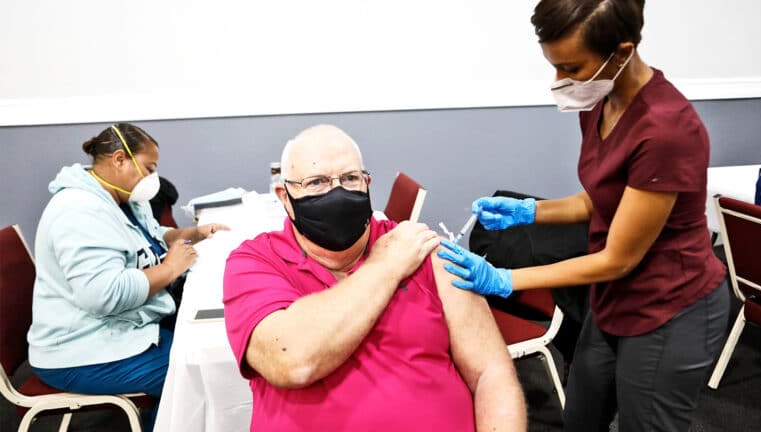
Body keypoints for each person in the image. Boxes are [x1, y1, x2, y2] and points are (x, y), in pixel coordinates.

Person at [438, 0, 729, 431]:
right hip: (614, 300)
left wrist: (504, 279)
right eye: (554, 65)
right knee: (581, 417)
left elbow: (618, 258)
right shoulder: (601, 104)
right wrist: (528, 212)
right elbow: (598, 199)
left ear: (621, 53)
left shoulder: (666, 130)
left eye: (571, 68)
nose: (559, 79)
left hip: (670, 306)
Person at [222, 124, 527, 431]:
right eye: (316, 182)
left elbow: (492, 373)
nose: (337, 192)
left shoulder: (420, 248)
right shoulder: (255, 261)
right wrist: (387, 264)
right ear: (284, 196)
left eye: (350, 178)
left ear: (367, 183)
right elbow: (292, 361)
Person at [27, 123, 228, 430]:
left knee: (204, 348)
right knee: (198, 370)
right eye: (149, 168)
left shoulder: (122, 199)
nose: (152, 178)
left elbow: (143, 239)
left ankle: (163, 418)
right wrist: (171, 268)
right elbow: (104, 295)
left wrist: (188, 234)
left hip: (116, 331)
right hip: (78, 349)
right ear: (119, 159)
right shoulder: (79, 212)